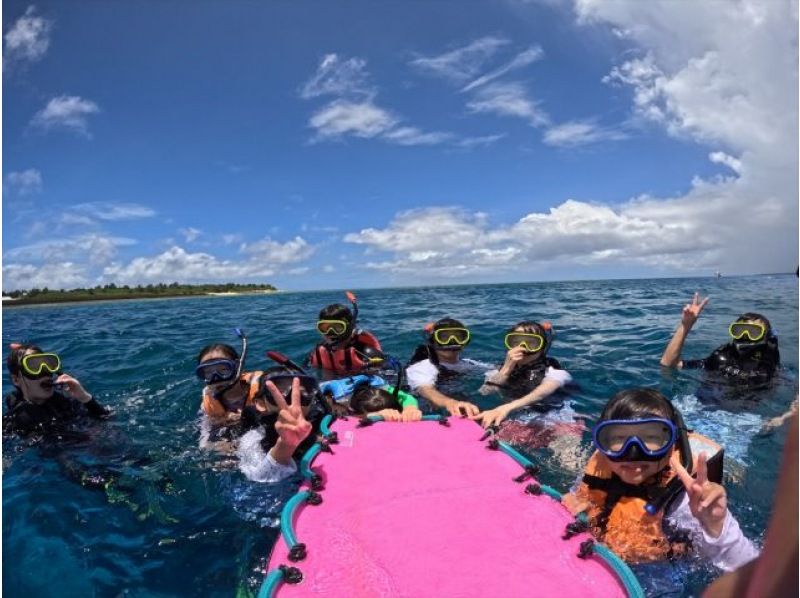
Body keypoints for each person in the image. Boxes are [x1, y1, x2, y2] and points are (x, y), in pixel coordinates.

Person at [562, 388, 758, 571]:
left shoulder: (684, 501)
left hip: (661, 571)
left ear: (671, 444)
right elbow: (581, 496)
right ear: (603, 441)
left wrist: (714, 523)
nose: (632, 452)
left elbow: (749, 569)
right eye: (619, 438)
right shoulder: (600, 466)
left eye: (651, 438)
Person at [660, 293, 780, 386]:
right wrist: (686, 325)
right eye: (738, 330)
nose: (745, 335)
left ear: (766, 336)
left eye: (754, 332)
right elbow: (668, 365)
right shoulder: (721, 359)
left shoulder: (770, 365)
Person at [237, 365, 327, 483]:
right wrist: (286, 445)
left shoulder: (320, 419)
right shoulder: (252, 440)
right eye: (279, 395)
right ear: (261, 404)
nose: (291, 403)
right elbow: (257, 477)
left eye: (301, 395)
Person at [473, 320, 572, 428]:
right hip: (516, 418)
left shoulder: (556, 373)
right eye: (516, 341)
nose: (522, 347)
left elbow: (540, 393)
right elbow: (485, 392)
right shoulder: (499, 372)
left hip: (556, 418)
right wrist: (506, 369)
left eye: (531, 343)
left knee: (567, 439)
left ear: (542, 347)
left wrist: (505, 408)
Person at [4, 342, 109, 437]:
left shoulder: (67, 402)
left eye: (48, 365)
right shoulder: (12, 421)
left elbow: (106, 419)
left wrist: (85, 397)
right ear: (16, 380)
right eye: (33, 366)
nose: (45, 372)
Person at [195, 336, 266, 450]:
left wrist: (245, 418)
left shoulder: (262, 389)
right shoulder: (207, 403)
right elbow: (204, 439)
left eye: (224, 370)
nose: (216, 378)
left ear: (238, 367)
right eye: (208, 372)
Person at [405, 318, 483, 417]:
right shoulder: (422, 368)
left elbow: (495, 371)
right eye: (444, 337)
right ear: (433, 341)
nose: (452, 342)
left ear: (465, 342)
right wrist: (451, 403)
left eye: (459, 337)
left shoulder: (469, 364)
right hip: (428, 410)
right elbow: (426, 390)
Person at [307, 291, 383, 377]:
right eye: (324, 327)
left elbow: (387, 380)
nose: (330, 332)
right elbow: (304, 373)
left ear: (350, 327)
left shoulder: (367, 354)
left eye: (338, 327)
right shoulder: (318, 352)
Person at [320, 373, 423, 422]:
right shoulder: (337, 401)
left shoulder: (381, 390)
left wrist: (410, 409)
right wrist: (374, 416)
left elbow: (407, 398)